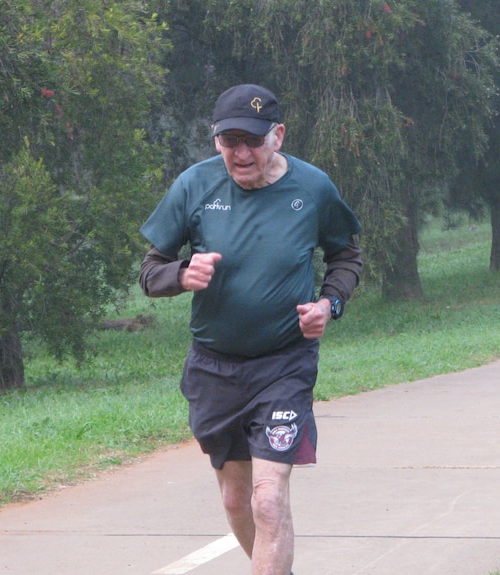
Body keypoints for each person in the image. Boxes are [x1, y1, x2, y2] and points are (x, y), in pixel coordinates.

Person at [138, 84, 362, 575]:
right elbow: (150, 271)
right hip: (214, 368)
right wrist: (180, 275)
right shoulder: (194, 186)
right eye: (229, 140)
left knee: (267, 500)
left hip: (285, 364)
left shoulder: (313, 188)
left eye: (253, 141)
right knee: (237, 501)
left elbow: (345, 255)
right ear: (215, 140)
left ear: (277, 136)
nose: (241, 153)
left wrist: (331, 303)